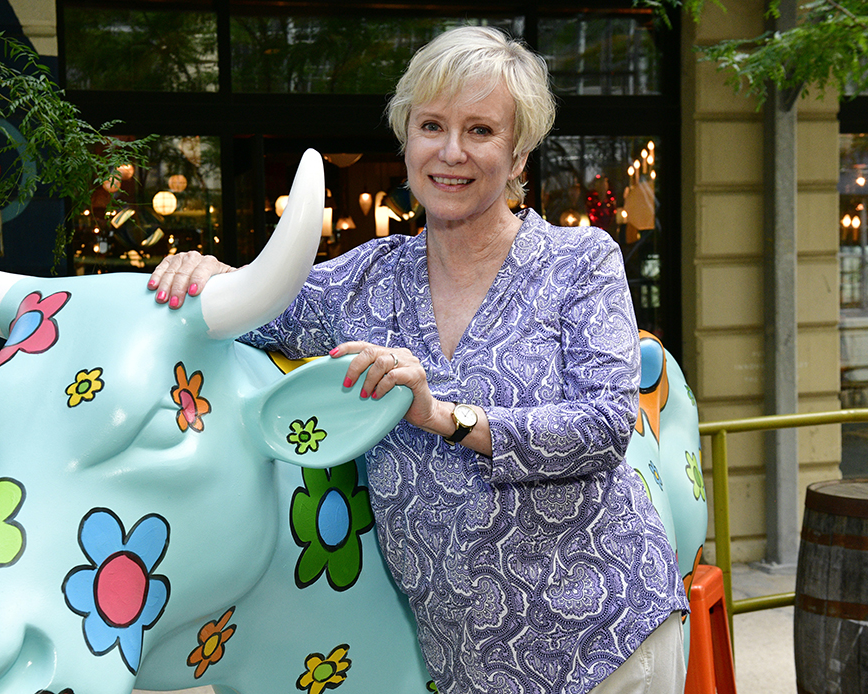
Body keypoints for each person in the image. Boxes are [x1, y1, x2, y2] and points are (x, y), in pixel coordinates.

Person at [148, 25, 687, 694]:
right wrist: (204, 275)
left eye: (481, 131)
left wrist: (442, 415)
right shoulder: (362, 280)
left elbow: (606, 426)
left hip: (604, 641)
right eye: (431, 125)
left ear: (519, 157)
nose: (451, 151)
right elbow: (257, 310)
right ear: (406, 144)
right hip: (471, 668)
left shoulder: (580, 263)